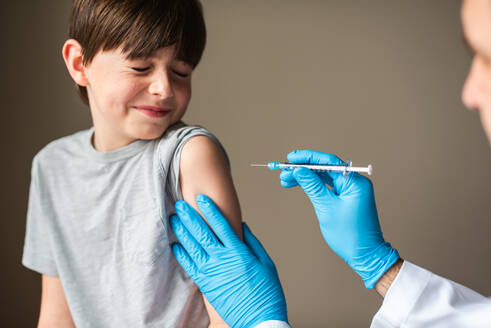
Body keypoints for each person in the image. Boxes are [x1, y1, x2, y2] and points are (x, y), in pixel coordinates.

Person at [169, 0, 491, 327]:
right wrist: (381, 267)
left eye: (487, 58)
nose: (469, 92)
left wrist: (260, 322)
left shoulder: (194, 153)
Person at [21, 0, 243, 327]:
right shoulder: (52, 167)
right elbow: (56, 316)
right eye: (140, 67)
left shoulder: (190, 156)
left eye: (181, 72)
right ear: (80, 63)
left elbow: (228, 312)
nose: (164, 88)